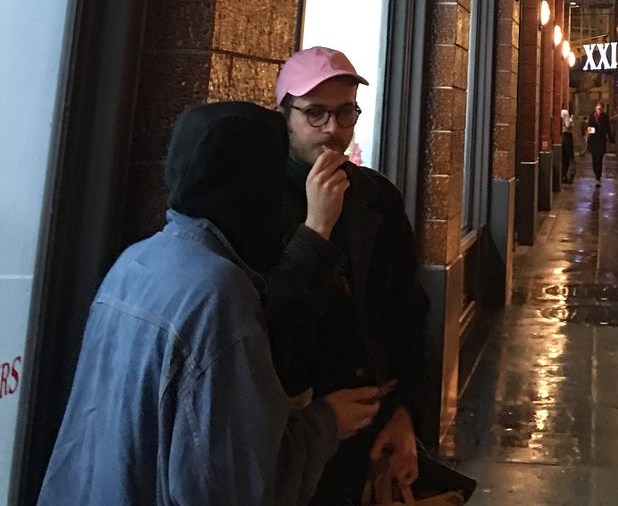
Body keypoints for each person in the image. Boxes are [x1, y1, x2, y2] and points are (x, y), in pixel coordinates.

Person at [38, 101, 385, 506]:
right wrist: (327, 422)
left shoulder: (136, 260)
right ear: (253, 184)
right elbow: (235, 483)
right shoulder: (218, 291)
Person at [268, 46, 430, 506]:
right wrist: (315, 228)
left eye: (345, 113)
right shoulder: (259, 205)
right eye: (315, 114)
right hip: (293, 436)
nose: (332, 130)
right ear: (285, 116)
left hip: (372, 427)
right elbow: (268, 325)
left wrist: (405, 413)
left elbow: (407, 313)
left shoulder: (377, 196)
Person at [586, 103, 611, 178]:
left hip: (601, 140)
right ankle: (596, 172)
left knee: (599, 159)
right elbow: (589, 126)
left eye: (600, 109)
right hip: (593, 140)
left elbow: (608, 129)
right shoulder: (592, 116)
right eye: (598, 109)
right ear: (595, 109)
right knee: (594, 159)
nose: (599, 111)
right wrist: (589, 129)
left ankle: (598, 176)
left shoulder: (605, 117)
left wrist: (611, 139)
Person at [561, 104, 575, 184]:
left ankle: (563, 176)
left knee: (564, 157)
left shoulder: (559, 112)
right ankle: (569, 175)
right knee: (569, 157)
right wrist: (571, 120)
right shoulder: (565, 112)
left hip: (561, 136)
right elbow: (568, 125)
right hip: (567, 135)